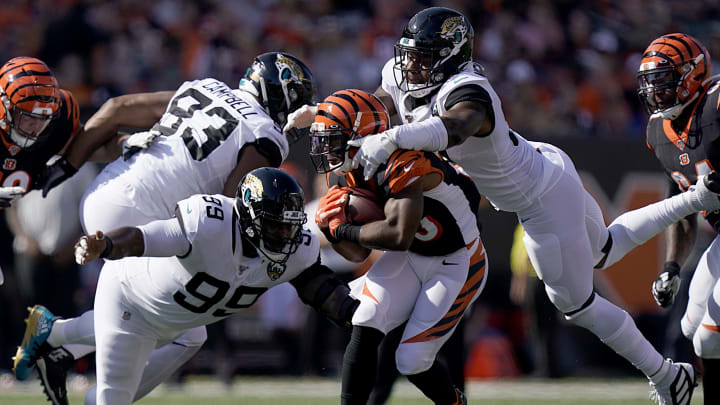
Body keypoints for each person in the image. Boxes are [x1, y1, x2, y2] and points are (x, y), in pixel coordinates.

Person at [286, 7, 720, 404]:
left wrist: (396, 137)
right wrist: (325, 113)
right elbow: (376, 105)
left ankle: (666, 376)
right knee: (603, 249)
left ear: (451, 56)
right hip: (542, 165)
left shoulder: (470, 90)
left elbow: (453, 129)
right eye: (410, 56)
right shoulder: (406, 77)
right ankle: (697, 198)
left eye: (424, 57)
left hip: (541, 199)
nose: (411, 66)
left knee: (577, 304)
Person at [11, 52, 316, 405]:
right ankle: (92, 384)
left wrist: (66, 165)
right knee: (178, 327)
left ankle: (55, 335)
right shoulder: (264, 134)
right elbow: (237, 210)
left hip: (104, 193)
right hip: (140, 222)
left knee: (165, 323)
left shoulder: (206, 87)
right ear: (280, 97)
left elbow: (116, 109)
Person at [67, 167, 357, 404]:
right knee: (112, 399)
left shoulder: (296, 248)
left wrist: (350, 311)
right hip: (129, 297)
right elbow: (142, 237)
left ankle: (52, 334)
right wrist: (105, 244)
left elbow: (318, 286)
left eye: (289, 226)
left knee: (191, 337)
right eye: (274, 226)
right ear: (249, 218)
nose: (284, 235)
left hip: (180, 321)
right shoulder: (208, 222)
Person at [310, 89, 486, 405]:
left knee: (412, 360)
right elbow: (359, 253)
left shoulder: (404, 159)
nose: (326, 148)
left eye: (333, 138)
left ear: (359, 133)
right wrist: (334, 232)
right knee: (365, 317)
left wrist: (343, 228)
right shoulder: (352, 169)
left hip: (458, 261)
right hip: (411, 256)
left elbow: (399, 233)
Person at [638, 33, 720, 405]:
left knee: (708, 336)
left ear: (691, 74)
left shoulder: (716, 103)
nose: (656, 91)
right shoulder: (659, 133)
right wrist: (671, 266)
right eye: (651, 82)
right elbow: (682, 205)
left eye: (664, 80)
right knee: (690, 325)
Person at [0, 56, 115, 285]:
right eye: (27, 117)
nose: (36, 127)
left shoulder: (60, 120)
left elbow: (94, 148)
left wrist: (128, 145)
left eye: (42, 118)